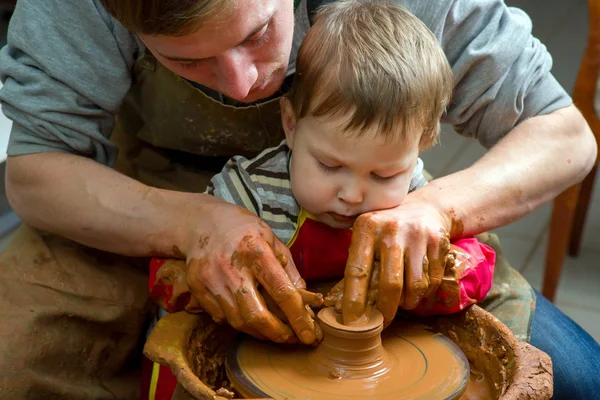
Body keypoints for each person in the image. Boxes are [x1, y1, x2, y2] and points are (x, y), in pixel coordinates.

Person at [0, 0, 597, 398]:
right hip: (138, 202)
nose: (242, 84)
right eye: (186, 58)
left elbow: (564, 136)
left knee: (577, 379)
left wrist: (433, 209)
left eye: (258, 34)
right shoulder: (80, 7)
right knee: (18, 363)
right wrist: (191, 225)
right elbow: (34, 170)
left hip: (389, 213)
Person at [142, 3, 498, 395]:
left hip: (369, 369)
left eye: (383, 174)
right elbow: (167, 273)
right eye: (329, 166)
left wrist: (428, 282)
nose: (352, 194)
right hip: (259, 356)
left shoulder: (413, 197)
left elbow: (476, 270)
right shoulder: (246, 192)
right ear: (291, 126)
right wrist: (218, 292)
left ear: (421, 149)